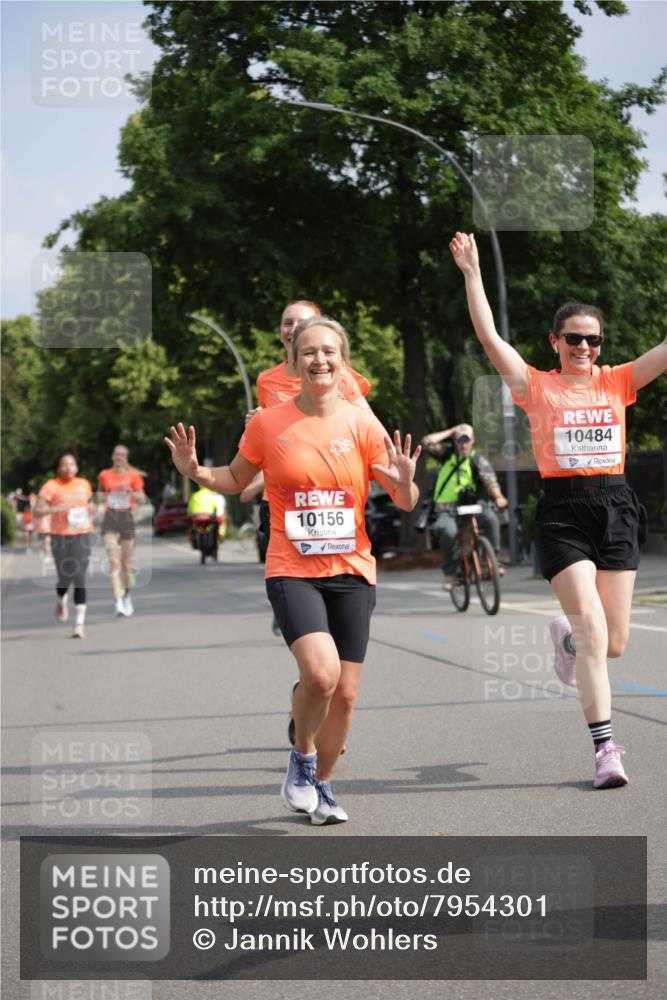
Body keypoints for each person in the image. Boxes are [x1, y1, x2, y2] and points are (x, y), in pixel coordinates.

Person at [165, 315, 421, 825]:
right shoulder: (268, 422)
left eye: (329, 352)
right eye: (309, 353)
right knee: (321, 675)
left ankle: (323, 787)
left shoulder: (362, 423)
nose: (319, 360)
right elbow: (237, 479)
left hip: (352, 568)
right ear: (295, 361)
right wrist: (194, 471)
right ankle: (302, 760)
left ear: (343, 361)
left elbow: (405, 501)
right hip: (291, 566)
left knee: (345, 695)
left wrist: (408, 481)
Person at [450, 230, 667, 789]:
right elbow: (489, 337)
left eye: (593, 340)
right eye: (573, 338)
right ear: (555, 341)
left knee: (611, 642)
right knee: (595, 630)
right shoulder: (536, 386)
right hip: (564, 515)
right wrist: (473, 274)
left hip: (616, 506)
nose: (584, 348)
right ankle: (606, 752)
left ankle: (564, 640)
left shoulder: (619, 381)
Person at [245, 299, 378, 636]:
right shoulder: (267, 381)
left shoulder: (340, 375)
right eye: (287, 322)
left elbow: (366, 420)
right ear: (281, 334)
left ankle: (314, 612)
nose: (293, 328)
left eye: (301, 322)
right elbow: (267, 434)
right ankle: (293, 602)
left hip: (333, 495)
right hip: (284, 497)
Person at [421, 422, 508, 589]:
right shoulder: (446, 454)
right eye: (460, 440)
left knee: (491, 519)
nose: (463, 444)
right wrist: (451, 431)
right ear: (455, 441)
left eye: (467, 440)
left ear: (473, 441)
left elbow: (491, 481)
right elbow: (426, 442)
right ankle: (450, 574)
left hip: (472, 506)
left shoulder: (477, 460)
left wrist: (499, 497)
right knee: (448, 531)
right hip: (446, 508)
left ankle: (491, 561)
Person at [34, 449, 94, 639]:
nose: (68, 467)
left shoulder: (84, 484)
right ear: (59, 467)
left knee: (79, 578)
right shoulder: (51, 486)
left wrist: (91, 508)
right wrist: (55, 508)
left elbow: (90, 504)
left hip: (82, 534)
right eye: (64, 464)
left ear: (76, 466)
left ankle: (79, 624)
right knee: (64, 578)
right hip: (60, 536)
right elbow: (37, 510)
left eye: (71, 464)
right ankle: (61, 598)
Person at [97, 445, 147, 617]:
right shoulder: (104, 475)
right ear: (112, 456)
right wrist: (107, 495)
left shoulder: (133, 476)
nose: (119, 457)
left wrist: (131, 492)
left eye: (122, 455)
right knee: (113, 561)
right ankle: (117, 601)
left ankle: (127, 596)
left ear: (126, 457)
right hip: (110, 517)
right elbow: (100, 496)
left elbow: (142, 498)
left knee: (126, 563)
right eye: (117, 454)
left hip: (126, 518)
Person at [187, 482, 227, 560]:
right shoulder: (212, 496)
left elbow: (189, 509)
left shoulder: (195, 495)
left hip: (196, 518)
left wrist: (190, 516)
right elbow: (216, 508)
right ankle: (220, 537)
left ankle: (194, 543)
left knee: (192, 529)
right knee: (216, 528)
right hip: (209, 517)